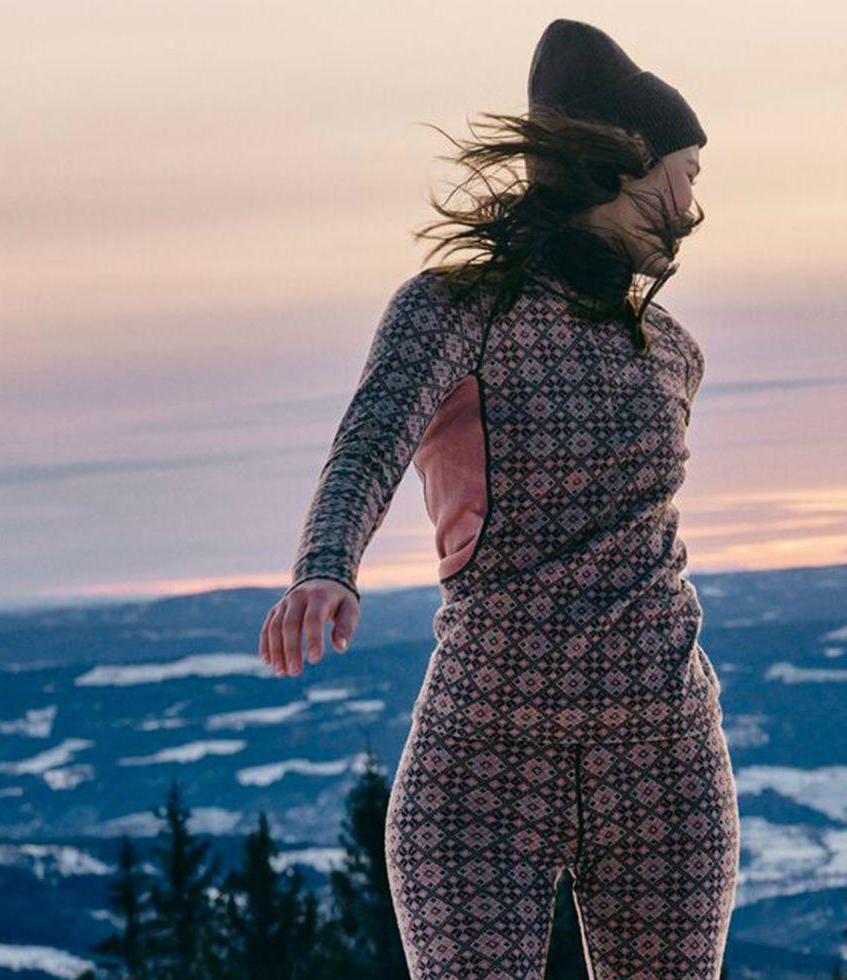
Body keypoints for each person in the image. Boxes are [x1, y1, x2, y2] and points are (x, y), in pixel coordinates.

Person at [257, 19, 735, 978]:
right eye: (682, 174)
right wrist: (325, 567)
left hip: (666, 757)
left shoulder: (672, 350)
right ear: (617, 165)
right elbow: (370, 439)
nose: (693, 206)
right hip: (483, 761)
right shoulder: (455, 309)